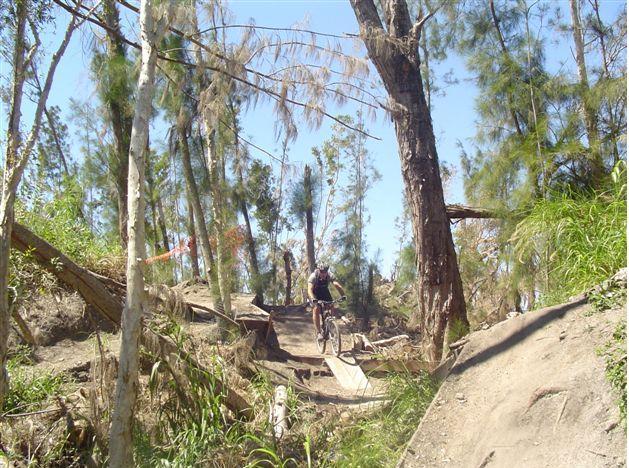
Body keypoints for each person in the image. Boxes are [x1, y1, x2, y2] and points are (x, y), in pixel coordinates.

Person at [307, 263, 346, 341]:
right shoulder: (313, 276)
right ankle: (318, 333)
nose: (323, 273)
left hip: (324, 291)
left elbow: (336, 285)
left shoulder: (329, 275)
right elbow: (309, 289)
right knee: (316, 308)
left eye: (325, 272)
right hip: (314, 293)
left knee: (331, 305)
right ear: (318, 270)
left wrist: (343, 295)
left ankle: (331, 323)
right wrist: (313, 298)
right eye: (321, 272)